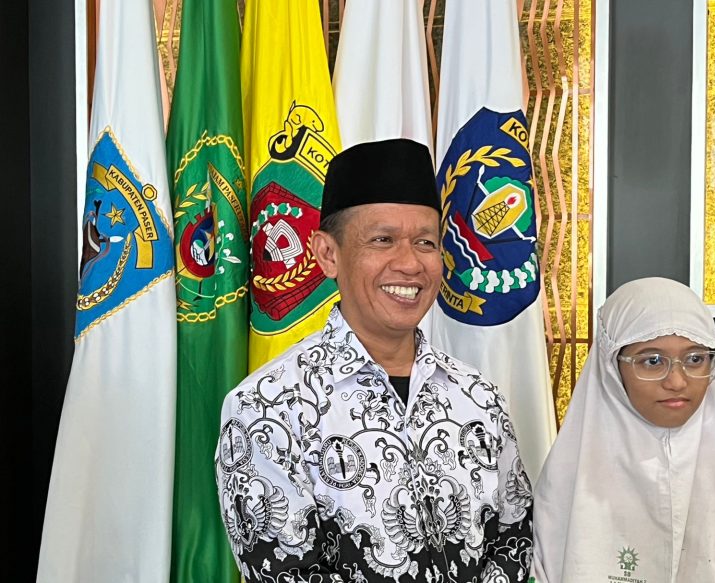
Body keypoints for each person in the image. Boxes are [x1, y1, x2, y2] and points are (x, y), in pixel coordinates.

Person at [216, 138, 533, 582]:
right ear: (327, 254)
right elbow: (285, 570)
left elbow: (514, 540)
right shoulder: (266, 408)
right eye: (383, 240)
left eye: (425, 242)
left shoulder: (478, 396)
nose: (410, 264)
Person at [532, 277, 715, 582]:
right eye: (652, 361)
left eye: (695, 359)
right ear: (612, 367)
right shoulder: (569, 477)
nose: (677, 381)